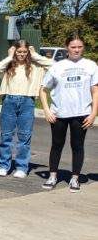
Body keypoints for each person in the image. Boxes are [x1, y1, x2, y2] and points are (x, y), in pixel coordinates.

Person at [39, 34, 98, 192]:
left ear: (83, 47)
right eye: (73, 47)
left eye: (79, 47)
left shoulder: (91, 66)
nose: (76, 50)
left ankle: (75, 179)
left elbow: (95, 90)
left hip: (81, 114)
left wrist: (93, 113)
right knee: (57, 145)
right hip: (59, 114)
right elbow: (43, 89)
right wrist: (46, 110)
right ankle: (52, 176)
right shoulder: (57, 66)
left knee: (77, 146)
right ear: (67, 48)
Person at [0, 40, 53, 178]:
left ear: (28, 52)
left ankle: (21, 167)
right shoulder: (9, 66)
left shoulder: (36, 67)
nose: (21, 54)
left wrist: (35, 54)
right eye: (19, 51)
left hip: (28, 101)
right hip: (9, 100)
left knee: (24, 136)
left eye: (24, 52)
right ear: (14, 52)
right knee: (6, 135)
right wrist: (9, 56)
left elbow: (52, 64)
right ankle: (4, 165)